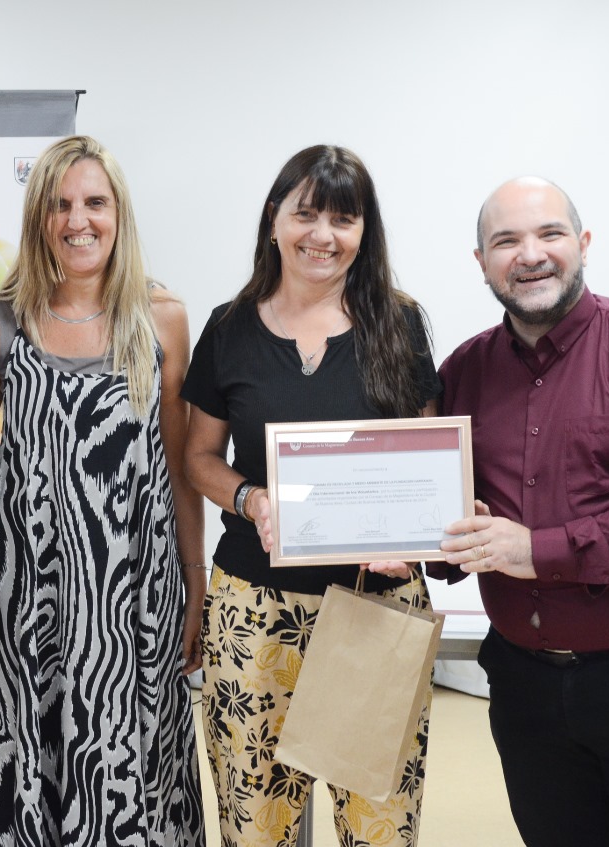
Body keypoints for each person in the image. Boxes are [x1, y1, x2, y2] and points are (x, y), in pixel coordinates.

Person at [432, 176, 609, 847]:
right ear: (481, 262)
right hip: (524, 682)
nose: (530, 253)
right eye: (506, 240)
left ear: (583, 244)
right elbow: (441, 507)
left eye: (549, 233)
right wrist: (424, 532)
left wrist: (535, 549)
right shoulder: (462, 372)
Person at [182, 144, 442, 847]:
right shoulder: (228, 328)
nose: (322, 235)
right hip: (253, 613)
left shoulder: (401, 324)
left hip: (376, 606)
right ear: (274, 220)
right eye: (306, 213)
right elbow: (198, 456)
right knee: (256, 819)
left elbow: (427, 466)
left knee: (378, 821)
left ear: (365, 234)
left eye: (343, 219)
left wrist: (415, 538)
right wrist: (250, 499)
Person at [0, 135, 204, 846]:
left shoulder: (161, 317)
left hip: (135, 595)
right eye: (60, 204)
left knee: (136, 759)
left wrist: (196, 580)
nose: (79, 220)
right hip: (30, 598)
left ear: (118, 212)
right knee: (32, 759)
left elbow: (178, 462)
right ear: (39, 217)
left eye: (95, 202)